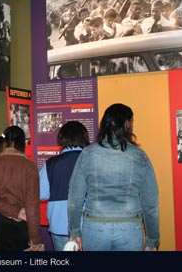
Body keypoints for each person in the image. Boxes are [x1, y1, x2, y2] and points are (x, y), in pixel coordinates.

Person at [68, 104, 160, 251]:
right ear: (128, 125)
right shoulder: (139, 156)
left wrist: (74, 231)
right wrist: (152, 239)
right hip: (130, 228)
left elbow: (75, 199)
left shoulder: (87, 154)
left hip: (94, 227)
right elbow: (150, 203)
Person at [0, 126, 42, 251]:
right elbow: (32, 208)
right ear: (21, 143)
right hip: (23, 227)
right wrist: (35, 240)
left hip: (1, 226)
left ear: (5, 142)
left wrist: (14, 212)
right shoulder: (29, 167)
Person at [39, 121, 89, 251]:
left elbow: (40, 193)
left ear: (61, 139)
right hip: (88, 225)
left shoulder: (50, 164)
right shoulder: (91, 160)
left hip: (59, 224)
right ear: (85, 138)